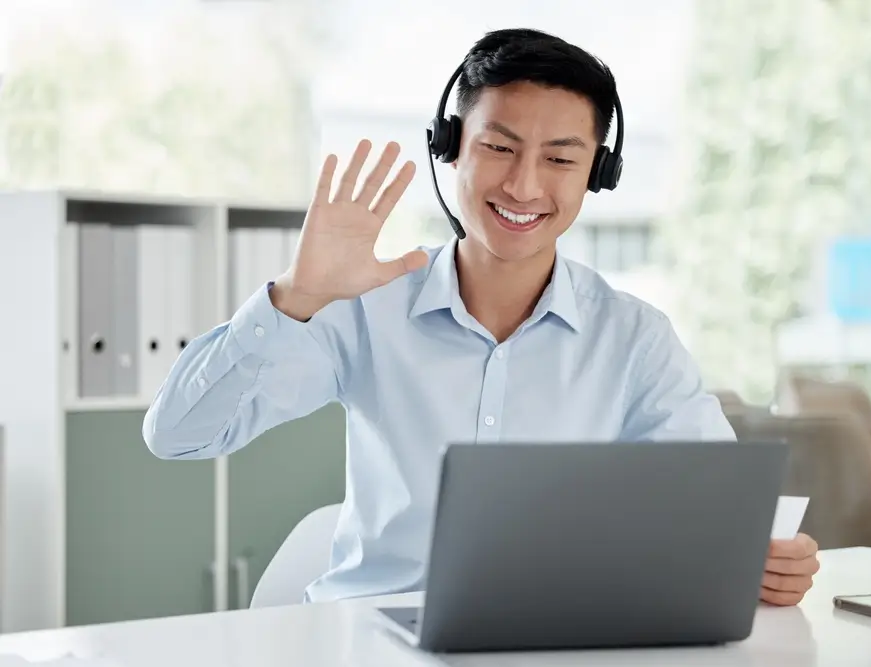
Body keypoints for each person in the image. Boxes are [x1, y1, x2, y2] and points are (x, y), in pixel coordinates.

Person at [142, 28, 819, 607]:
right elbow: (178, 434)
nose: (524, 185)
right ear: (451, 146)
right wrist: (293, 297)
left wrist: (767, 562)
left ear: (596, 174)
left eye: (560, 158)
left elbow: (723, 515)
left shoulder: (634, 338)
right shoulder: (364, 309)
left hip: (551, 641)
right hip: (373, 636)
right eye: (499, 148)